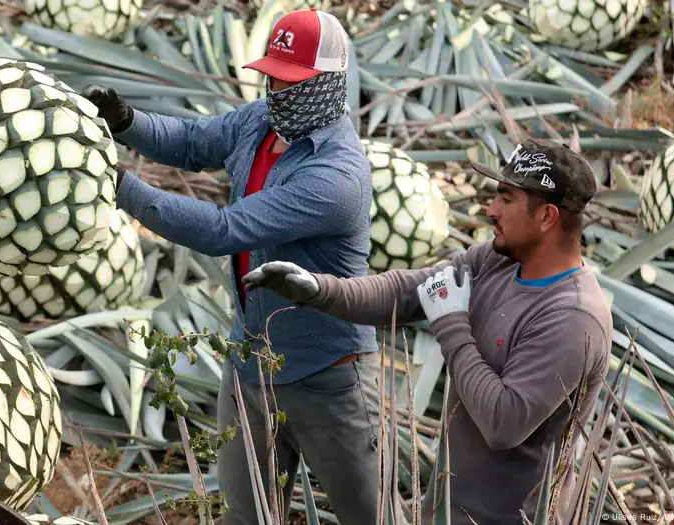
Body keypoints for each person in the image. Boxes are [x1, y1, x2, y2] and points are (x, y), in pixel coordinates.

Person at [80, 8, 380, 525]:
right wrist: (128, 122)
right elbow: (194, 142)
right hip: (248, 364)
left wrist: (117, 184)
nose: (278, 90)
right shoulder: (262, 122)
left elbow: (223, 230)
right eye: (273, 76)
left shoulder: (335, 177)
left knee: (367, 517)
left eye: (293, 82)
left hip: (326, 379)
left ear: (331, 83)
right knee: (246, 516)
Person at [242, 138, 613, 524]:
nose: (490, 210)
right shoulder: (498, 262)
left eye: (506, 198)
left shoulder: (573, 317)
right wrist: (321, 289)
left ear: (547, 217)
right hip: (449, 510)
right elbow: (408, 291)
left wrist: (450, 323)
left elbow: (503, 423)